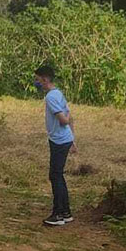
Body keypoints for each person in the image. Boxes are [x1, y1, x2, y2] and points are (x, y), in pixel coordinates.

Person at [34, 66, 77, 226]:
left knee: (55, 176)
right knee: (57, 175)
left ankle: (58, 214)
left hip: (59, 140)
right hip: (63, 139)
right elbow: (70, 117)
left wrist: (66, 122)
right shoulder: (58, 93)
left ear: (45, 79)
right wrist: (72, 139)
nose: (36, 83)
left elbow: (64, 120)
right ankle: (65, 212)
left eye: (38, 79)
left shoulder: (51, 97)